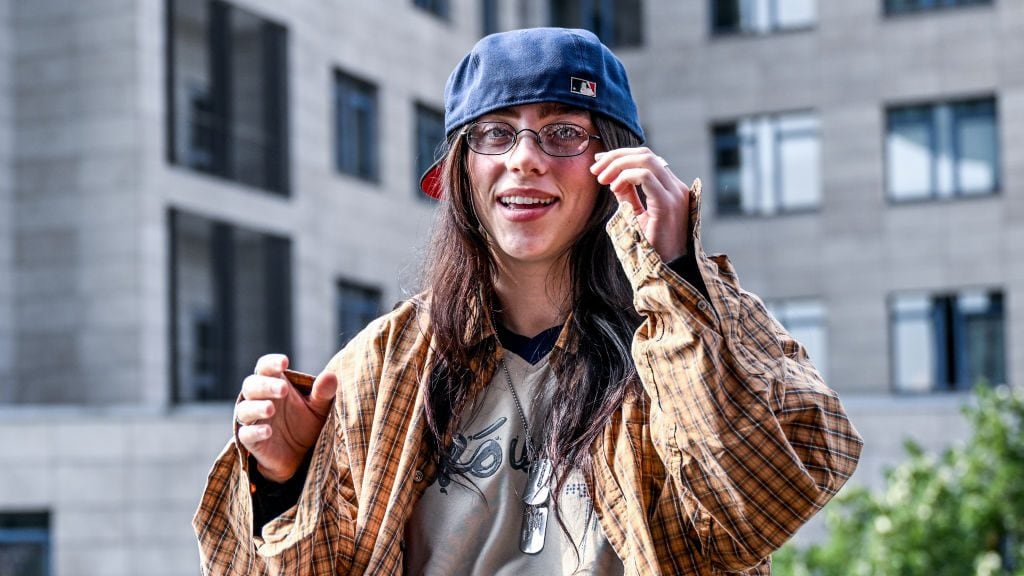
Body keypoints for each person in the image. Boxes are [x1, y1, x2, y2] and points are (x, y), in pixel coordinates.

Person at [194, 27, 863, 575]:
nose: (525, 159)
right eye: (495, 133)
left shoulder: (703, 322)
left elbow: (763, 507)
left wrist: (674, 279)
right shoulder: (387, 362)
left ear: (616, 161)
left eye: (563, 132)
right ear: (461, 170)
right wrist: (283, 480)